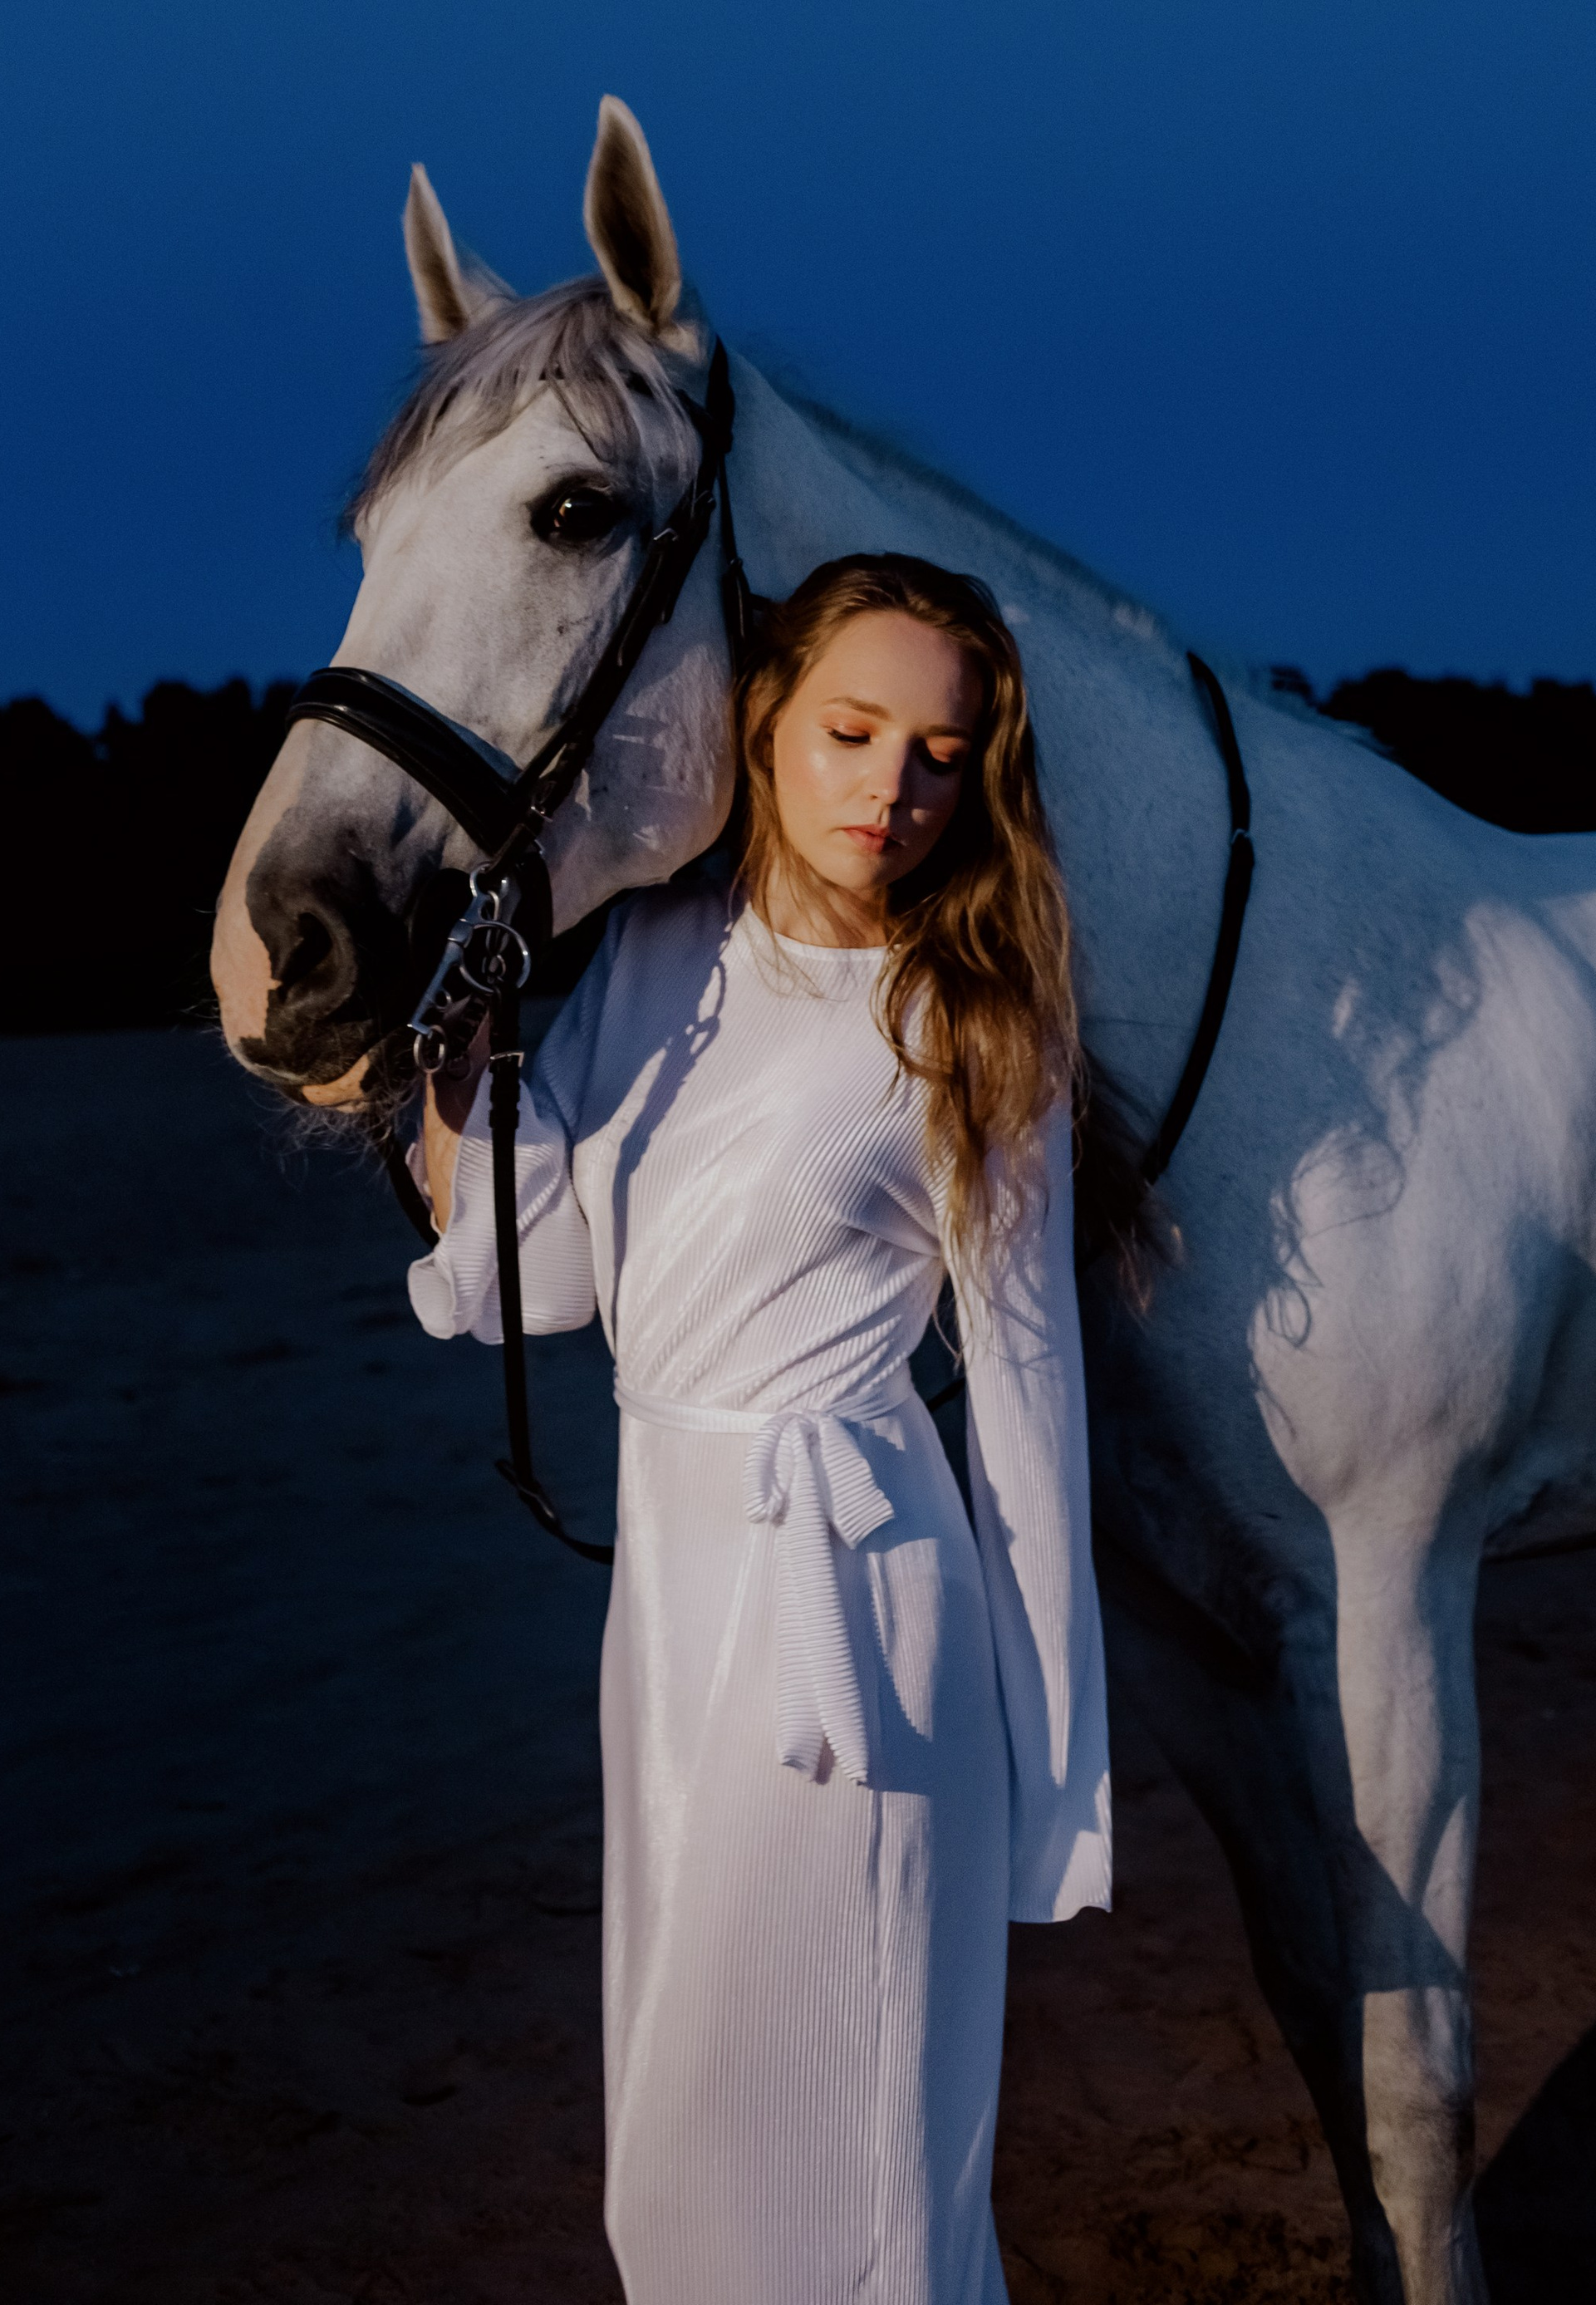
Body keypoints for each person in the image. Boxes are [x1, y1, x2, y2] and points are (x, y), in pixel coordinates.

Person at [410, 551, 1112, 2305]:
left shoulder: (971, 1023)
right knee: (677, 2110)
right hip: (669, 1600)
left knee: (852, 2128)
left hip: (856, 1625)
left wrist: (1053, 1785)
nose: (894, 787)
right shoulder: (655, 958)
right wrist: (457, 1063)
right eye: (853, 731)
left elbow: (1029, 1421)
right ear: (763, 726)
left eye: (941, 754)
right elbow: (540, 1280)